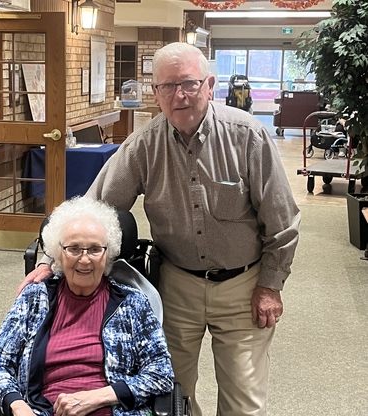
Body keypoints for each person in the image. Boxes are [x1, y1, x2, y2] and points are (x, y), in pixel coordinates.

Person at [20, 42, 301, 416]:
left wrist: (270, 285)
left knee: (244, 402)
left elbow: (283, 221)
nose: (179, 96)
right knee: (171, 394)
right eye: (167, 87)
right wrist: (48, 261)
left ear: (210, 84)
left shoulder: (247, 136)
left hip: (244, 286)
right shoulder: (143, 145)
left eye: (188, 83)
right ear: (155, 93)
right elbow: (91, 209)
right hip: (177, 284)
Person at [0, 196, 174, 416]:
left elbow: (161, 373)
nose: (84, 260)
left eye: (94, 249)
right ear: (59, 253)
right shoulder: (34, 299)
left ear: (108, 253)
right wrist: (17, 405)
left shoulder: (133, 303)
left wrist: (96, 397)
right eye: (74, 249)